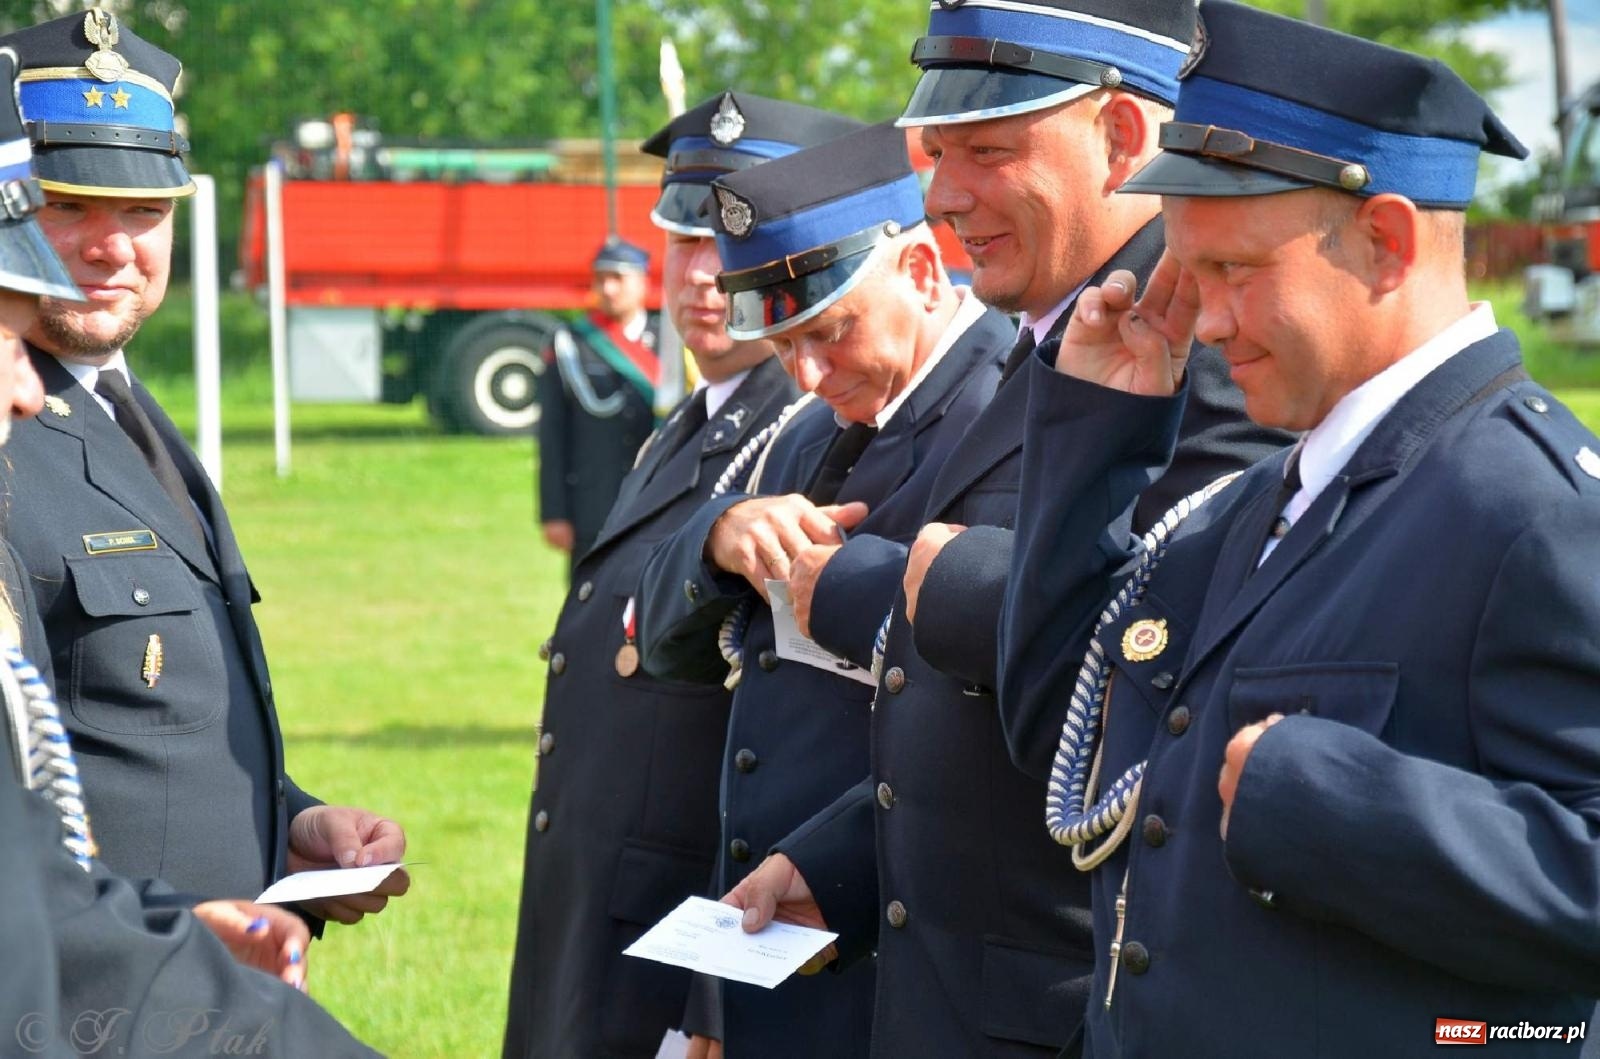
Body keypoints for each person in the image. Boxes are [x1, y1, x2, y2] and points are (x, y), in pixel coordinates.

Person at [999, 1, 1600, 1052]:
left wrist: (1327, 801)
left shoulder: (1533, 509)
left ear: (1386, 241)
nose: (1208, 317)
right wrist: (1102, 428)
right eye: (1193, 272)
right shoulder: (1257, 500)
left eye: (1236, 270)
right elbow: (1063, 733)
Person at [722, 1, 1291, 1053]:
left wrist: (895, 585)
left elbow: (1170, 661)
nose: (941, 195)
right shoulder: (1043, 332)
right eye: (935, 154)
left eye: (987, 150)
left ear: (1122, 139)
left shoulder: (1198, 338)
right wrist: (844, 866)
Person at [0, 43, 376, 1056]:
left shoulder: (121, 406)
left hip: (202, 986)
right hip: (101, 1000)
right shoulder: (8, 432)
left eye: (143, 214)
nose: (111, 246)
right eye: (68, 208)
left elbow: (128, 716)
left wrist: (289, 825)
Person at [636, 120, 1015, 1057]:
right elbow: (677, 659)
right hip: (773, 946)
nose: (805, 373)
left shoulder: (1016, 408)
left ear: (925, 273)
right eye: (780, 349)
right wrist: (717, 539)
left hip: (909, 965)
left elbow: (1002, 715)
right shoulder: (808, 431)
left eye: (829, 330)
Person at [501, 91, 858, 1059]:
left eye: (733, 247)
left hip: (686, 922)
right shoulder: (692, 420)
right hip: (605, 904)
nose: (704, 276)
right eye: (684, 242)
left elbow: (805, 741)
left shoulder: (816, 428)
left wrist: (717, 999)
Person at [538, 237, 661, 569]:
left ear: (643, 283)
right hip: (592, 508)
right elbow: (552, 434)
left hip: (655, 504)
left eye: (618, 278)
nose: (608, 289)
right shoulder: (571, 343)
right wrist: (555, 513)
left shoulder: (670, 342)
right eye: (601, 278)